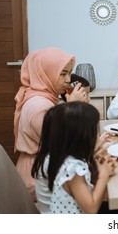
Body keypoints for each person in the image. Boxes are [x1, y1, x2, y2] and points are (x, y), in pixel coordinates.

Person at [13, 47, 89, 200]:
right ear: (46, 73)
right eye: (63, 74)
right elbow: (61, 143)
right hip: (37, 176)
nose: (68, 79)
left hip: (47, 166)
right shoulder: (38, 106)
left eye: (69, 72)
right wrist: (72, 108)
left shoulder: (44, 97)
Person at [31, 102, 117, 214]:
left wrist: (94, 160)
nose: (97, 136)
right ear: (80, 138)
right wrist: (104, 174)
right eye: (95, 132)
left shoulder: (56, 154)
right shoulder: (71, 168)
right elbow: (91, 209)